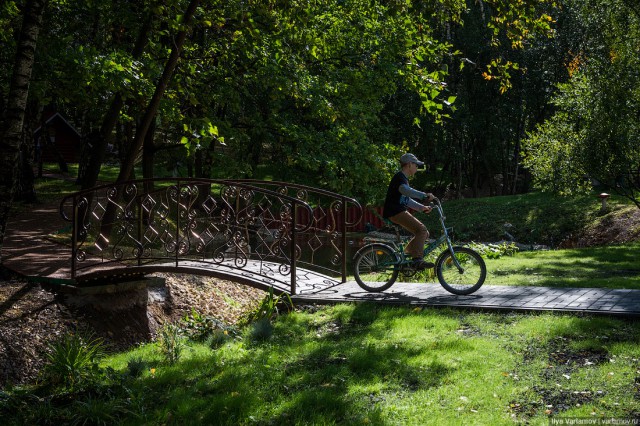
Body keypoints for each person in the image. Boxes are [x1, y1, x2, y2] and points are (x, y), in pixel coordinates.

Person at [382, 153, 435, 269]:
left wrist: (422, 207)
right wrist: (424, 195)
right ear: (409, 164)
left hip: (396, 212)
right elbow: (406, 191)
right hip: (395, 212)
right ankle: (417, 260)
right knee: (422, 230)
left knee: (424, 234)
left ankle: (405, 256)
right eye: (416, 165)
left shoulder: (402, 178)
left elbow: (406, 199)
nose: (417, 168)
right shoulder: (400, 178)